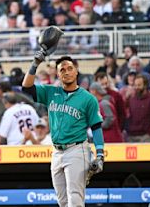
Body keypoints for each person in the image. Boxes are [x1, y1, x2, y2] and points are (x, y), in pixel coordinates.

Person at [22, 51, 104, 206]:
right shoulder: (51, 92)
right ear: (58, 75)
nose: (67, 72)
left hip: (76, 149)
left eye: (70, 68)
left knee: (75, 198)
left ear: (76, 71)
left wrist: (100, 154)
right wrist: (35, 64)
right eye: (62, 70)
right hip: (56, 152)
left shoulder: (88, 98)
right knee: (62, 201)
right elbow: (26, 88)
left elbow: (96, 127)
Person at [127, 75, 150, 142]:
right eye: (135, 85)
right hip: (131, 136)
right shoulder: (131, 99)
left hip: (146, 137)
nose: (136, 87)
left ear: (145, 86)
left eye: (139, 85)